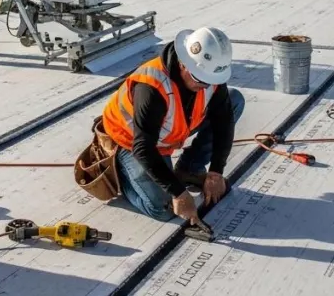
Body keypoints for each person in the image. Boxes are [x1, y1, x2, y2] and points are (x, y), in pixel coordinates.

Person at [78, 27, 245, 224]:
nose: (206, 86)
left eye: (211, 81)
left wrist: (216, 171)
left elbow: (223, 120)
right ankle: (124, 177)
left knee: (233, 101)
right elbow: (143, 148)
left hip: (168, 131)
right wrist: (178, 193)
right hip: (129, 141)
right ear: (184, 64)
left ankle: (188, 169)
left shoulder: (207, 74)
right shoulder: (152, 88)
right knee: (164, 208)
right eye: (201, 80)